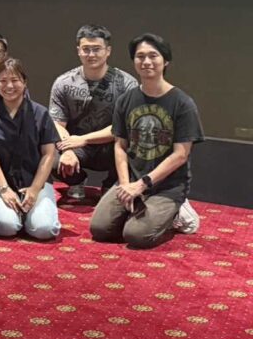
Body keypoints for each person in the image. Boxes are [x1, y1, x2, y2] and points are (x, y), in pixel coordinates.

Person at [90, 33, 204, 249]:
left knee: (136, 235)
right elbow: (120, 145)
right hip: (132, 180)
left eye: (153, 56)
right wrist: (125, 184)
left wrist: (142, 185)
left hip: (166, 186)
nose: (146, 61)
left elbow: (180, 155)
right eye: (140, 56)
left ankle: (178, 210)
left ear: (165, 61)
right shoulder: (126, 100)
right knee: (100, 229)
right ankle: (140, 209)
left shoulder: (182, 103)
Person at [50, 24, 138, 200]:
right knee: (50, 157)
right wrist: (67, 149)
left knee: (136, 144)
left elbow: (124, 127)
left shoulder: (127, 84)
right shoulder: (64, 82)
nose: (91, 54)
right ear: (78, 51)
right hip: (77, 146)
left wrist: (84, 139)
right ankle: (76, 180)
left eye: (97, 49)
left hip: (111, 146)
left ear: (108, 51)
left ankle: (111, 185)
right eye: (86, 49)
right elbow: (57, 123)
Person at [0, 58, 61, 240]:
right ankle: (17, 217)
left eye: (14, 80)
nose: (9, 86)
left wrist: (35, 189)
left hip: (34, 180)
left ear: (24, 82)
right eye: (3, 81)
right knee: (6, 226)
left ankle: (27, 216)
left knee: (44, 230)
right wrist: (4, 189)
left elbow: (49, 154)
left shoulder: (40, 113)